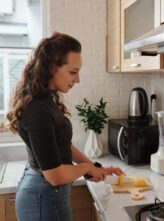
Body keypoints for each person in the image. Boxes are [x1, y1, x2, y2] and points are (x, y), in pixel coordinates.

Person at [6, 32, 124, 221]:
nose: (77, 79)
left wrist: (95, 167)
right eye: (72, 72)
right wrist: (86, 168)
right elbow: (55, 175)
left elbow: (61, 145)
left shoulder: (47, 99)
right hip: (43, 198)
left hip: (47, 195)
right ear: (52, 68)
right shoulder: (38, 109)